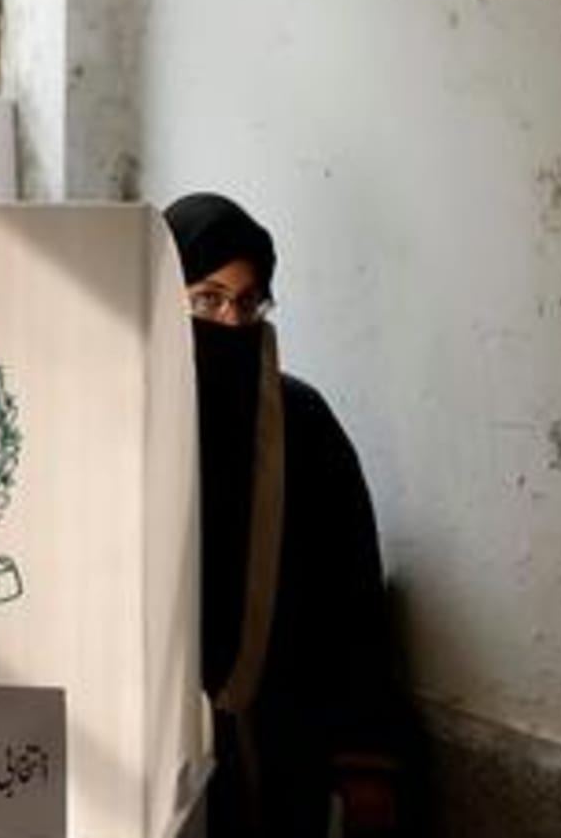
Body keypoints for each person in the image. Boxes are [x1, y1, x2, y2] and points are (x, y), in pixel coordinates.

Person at [164, 193, 409, 838]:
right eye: (206, 300)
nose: (230, 322)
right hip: (146, 745)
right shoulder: (118, 419)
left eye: (249, 303)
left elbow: (353, 593)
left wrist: (365, 764)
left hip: (276, 745)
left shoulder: (299, 422)